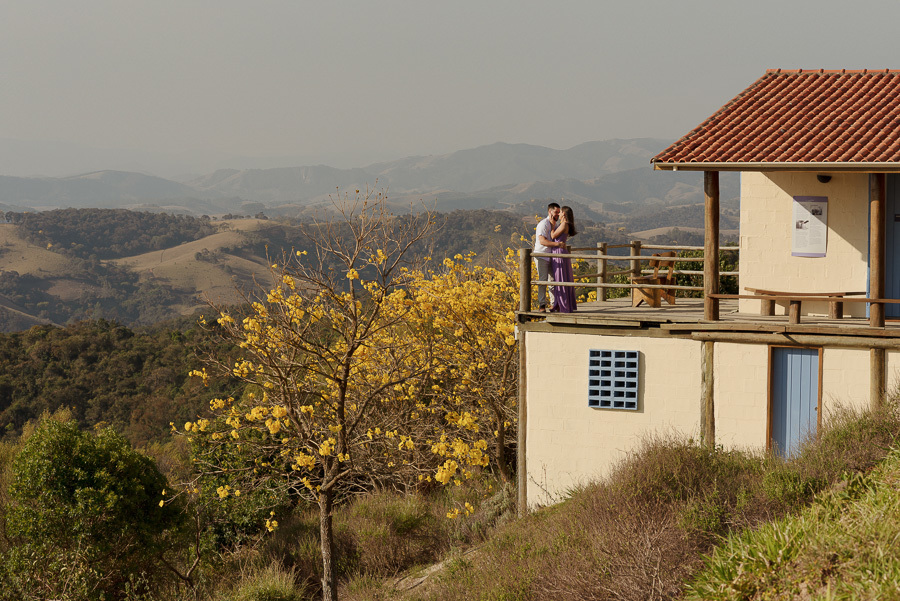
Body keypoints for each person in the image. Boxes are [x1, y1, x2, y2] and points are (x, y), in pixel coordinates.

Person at [533, 202, 564, 312]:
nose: (557, 214)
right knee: (543, 280)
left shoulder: (554, 225)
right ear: (549, 212)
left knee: (552, 281)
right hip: (541, 256)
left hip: (551, 256)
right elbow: (542, 241)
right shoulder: (543, 224)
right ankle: (542, 305)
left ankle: (553, 304)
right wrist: (557, 245)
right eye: (556, 212)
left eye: (558, 212)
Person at [550, 206, 577, 312]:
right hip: (559, 251)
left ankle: (563, 305)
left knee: (561, 277)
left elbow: (552, 236)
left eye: (560, 212)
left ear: (564, 214)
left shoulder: (564, 224)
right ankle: (560, 303)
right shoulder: (564, 225)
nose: (558, 214)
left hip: (559, 252)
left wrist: (552, 224)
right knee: (562, 277)